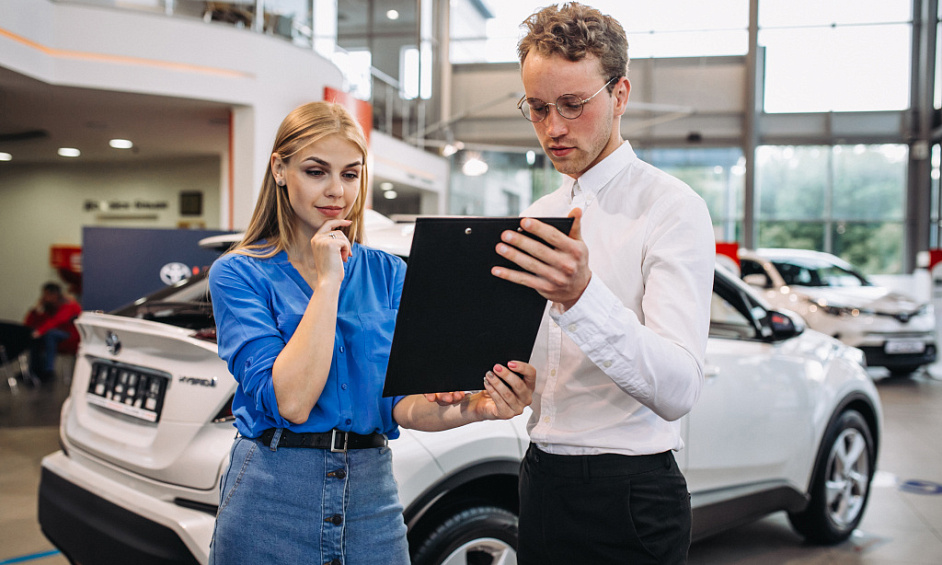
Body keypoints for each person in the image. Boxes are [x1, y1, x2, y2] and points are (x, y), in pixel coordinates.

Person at [207, 101, 535, 565]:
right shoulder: (239, 273)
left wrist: (478, 408)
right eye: (316, 171)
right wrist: (328, 282)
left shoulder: (388, 273)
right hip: (272, 495)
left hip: (371, 498)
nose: (336, 191)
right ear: (280, 170)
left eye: (351, 174)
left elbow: (401, 404)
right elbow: (293, 402)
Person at [492, 3, 716, 563]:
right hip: (540, 480)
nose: (553, 128)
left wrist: (582, 296)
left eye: (572, 105)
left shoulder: (672, 208)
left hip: (630, 499)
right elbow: (541, 370)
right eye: (538, 108)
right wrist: (505, 384)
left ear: (619, 96)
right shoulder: (541, 211)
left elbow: (678, 389)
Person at [24, 281, 81, 383]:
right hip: (54, 335)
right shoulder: (48, 307)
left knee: (50, 334)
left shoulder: (68, 304)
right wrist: (36, 308)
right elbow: (30, 323)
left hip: (71, 337)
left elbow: (57, 321)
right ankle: (34, 370)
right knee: (37, 337)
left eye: (47, 294)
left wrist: (40, 331)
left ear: (54, 294)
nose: (44, 297)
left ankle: (48, 371)